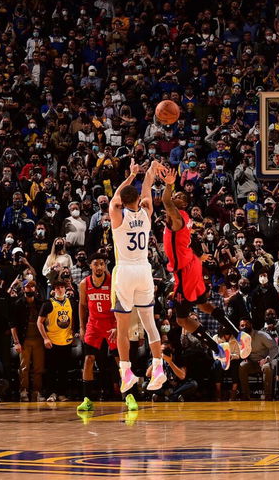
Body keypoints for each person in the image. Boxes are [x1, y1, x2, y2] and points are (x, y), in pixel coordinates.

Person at [161, 165, 249, 367]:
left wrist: (168, 186)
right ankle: (238, 336)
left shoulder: (178, 216)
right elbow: (189, 242)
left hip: (184, 269)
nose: (175, 196)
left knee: (182, 319)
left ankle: (218, 348)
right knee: (203, 305)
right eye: (176, 194)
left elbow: (165, 201)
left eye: (179, 196)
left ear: (184, 203)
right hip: (191, 265)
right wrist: (198, 258)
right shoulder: (184, 219)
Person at [109, 159, 166, 405]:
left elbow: (114, 199)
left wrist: (131, 175)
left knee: (122, 328)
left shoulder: (117, 215)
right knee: (149, 323)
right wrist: (150, 172)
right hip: (145, 269)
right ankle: (159, 366)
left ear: (123, 200)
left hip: (125, 272)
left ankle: (127, 372)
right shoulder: (146, 213)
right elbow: (147, 191)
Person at [77, 252, 116, 411]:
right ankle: (87, 400)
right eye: (96, 264)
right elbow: (82, 306)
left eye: (102, 263)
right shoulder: (84, 283)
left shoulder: (113, 281)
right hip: (94, 323)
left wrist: (118, 326)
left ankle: (129, 395)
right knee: (88, 360)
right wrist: (81, 326)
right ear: (90, 265)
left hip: (111, 322)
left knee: (120, 361)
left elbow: (120, 303)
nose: (99, 267)